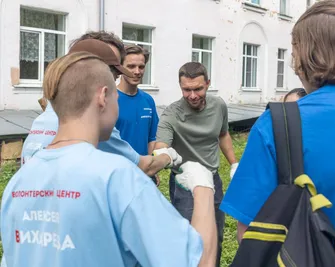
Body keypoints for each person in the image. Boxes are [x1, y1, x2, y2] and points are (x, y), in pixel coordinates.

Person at [220, 1, 335, 267]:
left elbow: (252, 234)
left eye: (295, 51)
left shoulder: (282, 123)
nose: (294, 64)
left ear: (308, 55)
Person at [1, 51, 217, 267]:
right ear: (103, 97)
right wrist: (203, 186)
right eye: (116, 97)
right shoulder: (119, 178)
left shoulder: (18, 182)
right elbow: (199, 262)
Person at [21, 32, 180, 177]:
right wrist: (167, 156)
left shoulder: (47, 116)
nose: (114, 85)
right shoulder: (89, 121)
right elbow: (143, 167)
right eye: (112, 71)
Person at [155, 62, 238, 267]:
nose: (192, 95)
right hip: (184, 184)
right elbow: (160, 146)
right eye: (187, 89)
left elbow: (223, 134)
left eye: (198, 89)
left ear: (207, 84)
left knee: (214, 237)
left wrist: (234, 163)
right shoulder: (171, 114)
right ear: (180, 87)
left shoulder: (218, 105)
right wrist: (164, 154)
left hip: (213, 181)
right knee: (188, 239)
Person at [115, 44, 160, 184]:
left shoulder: (148, 100)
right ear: (120, 68)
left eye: (141, 67)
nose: (137, 71)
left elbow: (152, 138)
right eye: (131, 66)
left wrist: (152, 167)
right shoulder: (110, 100)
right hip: (118, 175)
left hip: (143, 174)